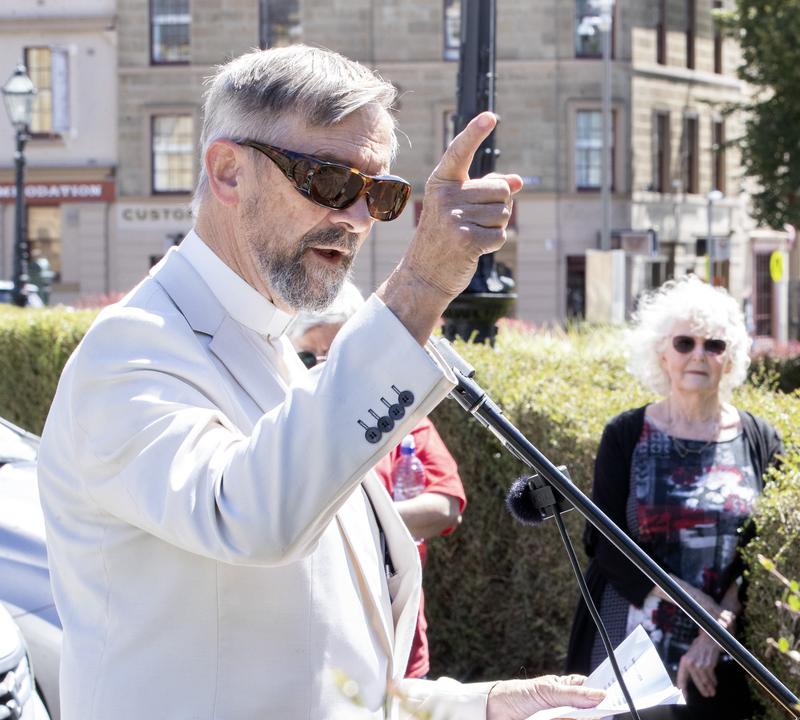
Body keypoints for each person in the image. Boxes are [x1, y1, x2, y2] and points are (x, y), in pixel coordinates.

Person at [37, 45, 601, 719]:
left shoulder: (271, 349)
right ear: (227, 172)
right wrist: (419, 287)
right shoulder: (130, 353)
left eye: (382, 194)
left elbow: (322, 674)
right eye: (331, 182)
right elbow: (246, 517)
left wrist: (487, 706)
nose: (359, 218)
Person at [565, 276, 784, 718]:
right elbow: (604, 542)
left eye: (714, 345)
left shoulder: (760, 438)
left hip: (716, 649)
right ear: (662, 353)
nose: (699, 355)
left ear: (731, 357)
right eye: (685, 343)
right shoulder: (625, 434)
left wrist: (719, 624)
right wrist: (701, 607)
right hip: (632, 638)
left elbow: (763, 554)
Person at [289, 281, 466, 680]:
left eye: (334, 354)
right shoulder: (281, 429)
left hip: (396, 635)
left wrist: (350, 521)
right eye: (308, 356)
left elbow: (446, 506)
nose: (321, 365)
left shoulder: (397, 414)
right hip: (317, 648)